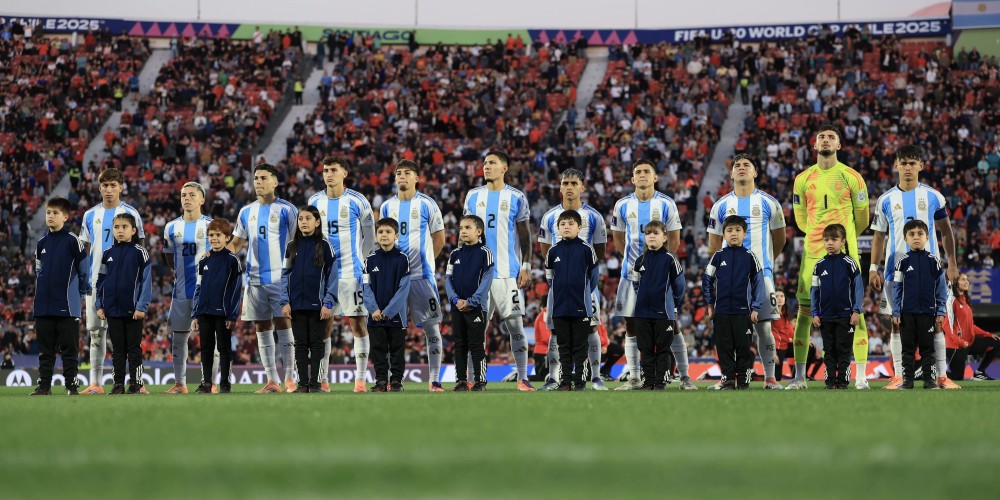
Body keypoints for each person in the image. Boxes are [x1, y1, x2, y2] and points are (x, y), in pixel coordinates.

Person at [869, 145, 960, 390]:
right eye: (903, 163)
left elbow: (946, 232)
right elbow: (878, 236)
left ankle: (941, 376)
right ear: (896, 165)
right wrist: (872, 268)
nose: (908, 167)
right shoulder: (886, 199)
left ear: (921, 166)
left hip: (930, 272)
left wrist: (951, 263)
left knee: (938, 321)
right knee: (897, 323)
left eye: (912, 163)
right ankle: (899, 375)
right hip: (894, 273)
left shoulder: (934, 196)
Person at [790, 125, 871, 390]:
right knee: (804, 314)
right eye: (821, 137)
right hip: (813, 255)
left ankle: (860, 378)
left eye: (831, 137)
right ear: (814, 145)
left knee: (855, 313)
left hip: (846, 255)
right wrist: (818, 238)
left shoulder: (852, 177)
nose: (825, 140)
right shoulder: (802, 179)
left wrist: (845, 238)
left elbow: (862, 218)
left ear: (838, 145)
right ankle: (799, 378)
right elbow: (801, 221)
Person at [611, 159, 695, 390]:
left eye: (647, 171)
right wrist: (639, 264)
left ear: (655, 177)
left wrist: (658, 267)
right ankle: (636, 378)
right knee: (630, 324)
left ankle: (685, 377)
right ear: (632, 178)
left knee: (671, 322)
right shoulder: (622, 205)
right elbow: (618, 239)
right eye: (638, 172)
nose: (642, 175)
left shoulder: (667, 204)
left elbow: (675, 240)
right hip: (630, 274)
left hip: (660, 277)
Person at [706, 153, 786, 390]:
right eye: (737, 166)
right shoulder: (720, 205)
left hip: (762, 276)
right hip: (730, 278)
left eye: (746, 165)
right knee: (728, 331)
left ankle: (770, 377)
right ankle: (729, 377)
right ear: (731, 173)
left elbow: (779, 240)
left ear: (755, 172)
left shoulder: (769, 203)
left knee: (764, 328)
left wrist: (764, 266)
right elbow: (713, 245)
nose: (741, 168)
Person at [462, 150, 535, 391]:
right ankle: (473, 378)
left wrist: (526, 265)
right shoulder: (473, 196)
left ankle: (523, 378)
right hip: (477, 276)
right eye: (484, 163)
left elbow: (525, 236)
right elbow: (465, 235)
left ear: (505, 168)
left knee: (515, 325)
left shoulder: (516, 197)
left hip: (507, 273)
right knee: (476, 329)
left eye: (492, 163)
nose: (486, 166)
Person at [229, 163, 299, 394]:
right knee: (261, 326)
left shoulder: (288, 210)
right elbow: (237, 243)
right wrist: (218, 254)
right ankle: (272, 380)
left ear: (275, 182)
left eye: (264, 178)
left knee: (283, 323)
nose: (258, 182)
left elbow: (295, 244)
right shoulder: (246, 211)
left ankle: (290, 378)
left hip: (280, 278)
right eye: (256, 178)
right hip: (254, 279)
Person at [378, 160, 447, 392]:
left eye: (407, 173)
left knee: (431, 328)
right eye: (398, 173)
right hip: (394, 280)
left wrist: (428, 261)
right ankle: (393, 379)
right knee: (393, 332)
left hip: (421, 277)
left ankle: (434, 379)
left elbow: (439, 239)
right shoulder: (387, 207)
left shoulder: (427, 204)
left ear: (416, 178)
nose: (402, 177)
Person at [537, 168, 609, 390]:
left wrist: (584, 279)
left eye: (573, 183)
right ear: (560, 187)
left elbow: (599, 251)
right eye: (565, 183)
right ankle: (553, 377)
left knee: (592, 329)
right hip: (559, 288)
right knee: (556, 331)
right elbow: (545, 251)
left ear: (582, 187)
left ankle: (595, 377)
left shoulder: (594, 217)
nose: (569, 187)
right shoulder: (549, 217)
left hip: (585, 287)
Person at [309, 156, 375, 393]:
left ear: (344, 173)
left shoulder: (358, 200)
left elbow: (370, 236)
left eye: (333, 170)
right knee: (324, 325)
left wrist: (364, 263)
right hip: (324, 275)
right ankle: (322, 379)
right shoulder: (315, 201)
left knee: (358, 323)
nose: (328, 174)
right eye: (326, 170)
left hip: (352, 273)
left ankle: (360, 380)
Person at [79, 168, 145, 395]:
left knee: (131, 337)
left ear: (121, 187)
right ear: (99, 188)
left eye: (113, 185)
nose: (109, 190)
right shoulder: (89, 215)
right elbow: (85, 250)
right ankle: (96, 383)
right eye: (105, 185)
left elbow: (140, 247)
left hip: (126, 283)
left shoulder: (131, 213)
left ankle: (138, 383)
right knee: (96, 333)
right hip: (97, 281)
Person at [30, 197, 91, 396]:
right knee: (45, 352)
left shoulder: (73, 241)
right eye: (48, 212)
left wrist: (78, 295)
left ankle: (71, 387)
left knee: (69, 351)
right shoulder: (41, 244)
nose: (51, 216)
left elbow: (84, 271)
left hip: (67, 306)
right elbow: (39, 271)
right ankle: (44, 387)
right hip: (43, 306)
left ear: (65, 216)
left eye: (55, 213)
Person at [703, 216, 764, 390]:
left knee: (743, 347)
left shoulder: (750, 257)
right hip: (721, 312)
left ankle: (744, 381)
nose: (734, 234)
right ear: (723, 235)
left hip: (743, 312)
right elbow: (707, 279)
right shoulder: (718, 256)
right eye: (729, 231)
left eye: (738, 230)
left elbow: (758, 283)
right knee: (724, 348)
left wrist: (755, 308)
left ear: (744, 233)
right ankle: (728, 380)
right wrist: (710, 304)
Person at [162, 182, 212, 394]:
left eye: (192, 195)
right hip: (181, 291)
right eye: (183, 195)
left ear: (202, 200)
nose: (187, 198)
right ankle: (180, 384)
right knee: (179, 338)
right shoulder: (171, 227)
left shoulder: (210, 225)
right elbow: (169, 257)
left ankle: (209, 381)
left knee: (209, 339)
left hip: (207, 292)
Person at [280, 206, 337, 393]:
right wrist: (285, 301)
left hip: (318, 305)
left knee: (317, 344)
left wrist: (328, 302)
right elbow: (284, 274)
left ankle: (316, 383)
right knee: (300, 345)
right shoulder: (291, 246)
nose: (303, 222)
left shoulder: (325, 246)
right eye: (301, 219)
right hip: (296, 304)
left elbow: (333, 276)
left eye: (308, 218)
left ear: (317, 222)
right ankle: (303, 384)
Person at [95, 213, 152, 395]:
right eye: (117, 227)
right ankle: (118, 384)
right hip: (112, 308)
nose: (120, 230)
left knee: (133, 348)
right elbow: (101, 281)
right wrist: (99, 305)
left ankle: (136, 384)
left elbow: (146, 281)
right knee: (118, 349)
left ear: (133, 230)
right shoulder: (108, 254)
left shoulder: (140, 252)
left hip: (133, 309)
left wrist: (141, 306)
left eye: (124, 227)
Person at [544, 210, 600, 391]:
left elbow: (594, 277)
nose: (566, 226)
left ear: (579, 227)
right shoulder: (553, 251)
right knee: (564, 347)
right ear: (558, 228)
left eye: (570, 223)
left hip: (581, 307)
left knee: (580, 347)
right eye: (562, 224)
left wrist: (583, 293)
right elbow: (550, 277)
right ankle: (565, 381)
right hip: (560, 307)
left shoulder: (586, 249)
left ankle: (580, 381)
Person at [890, 220, 948, 389]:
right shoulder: (902, 262)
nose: (916, 237)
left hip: (928, 313)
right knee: (907, 349)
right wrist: (896, 311)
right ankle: (907, 381)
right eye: (912, 234)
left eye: (920, 234)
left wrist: (941, 309)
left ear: (927, 237)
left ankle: (929, 380)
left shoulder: (934, 261)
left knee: (927, 349)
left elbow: (941, 288)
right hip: (907, 313)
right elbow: (897, 288)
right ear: (905, 238)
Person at [630, 221, 686, 390]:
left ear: (665, 237)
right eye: (648, 233)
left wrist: (672, 304)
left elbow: (680, 286)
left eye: (655, 233)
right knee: (645, 349)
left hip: (663, 313)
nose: (651, 236)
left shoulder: (670, 259)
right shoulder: (639, 261)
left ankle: (660, 382)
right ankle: (648, 382)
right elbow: (635, 285)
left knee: (663, 349)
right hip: (642, 313)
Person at [191, 218, 243, 394]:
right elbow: (198, 288)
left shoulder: (232, 261)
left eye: (218, 235)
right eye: (211, 235)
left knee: (224, 349)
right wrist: (195, 314)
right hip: (204, 311)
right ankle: (206, 383)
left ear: (227, 237)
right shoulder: (204, 261)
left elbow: (236, 291)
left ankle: (225, 383)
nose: (214, 238)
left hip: (223, 314)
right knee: (205, 348)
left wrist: (232, 315)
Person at [810, 224, 865, 390]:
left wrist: (856, 310)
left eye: (834, 239)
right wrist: (815, 313)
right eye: (826, 240)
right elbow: (814, 292)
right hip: (825, 316)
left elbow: (858, 288)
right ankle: (830, 381)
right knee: (829, 350)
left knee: (843, 350)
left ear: (843, 242)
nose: (829, 243)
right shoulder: (819, 266)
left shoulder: (850, 263)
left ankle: (843, 381)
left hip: (845, 316)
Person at [445, 215, 494, 391]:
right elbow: (447, 280)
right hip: (457, 307)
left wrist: (472, 301)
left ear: (478, 232)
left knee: (476, 345)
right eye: (461, 228)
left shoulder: (485, 253)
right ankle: (461, 381)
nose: (463, 231)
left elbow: (487, 279)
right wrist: (456, 300)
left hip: (476, 307)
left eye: (467, 227)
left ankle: (480, 381)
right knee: (459, 345)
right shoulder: (454, 254)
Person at [361, 218, 411, 393]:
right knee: (378, 351)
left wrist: (389, 311)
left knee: (397, 351)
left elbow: (404, 289)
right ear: (376, 235)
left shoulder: (403, 259)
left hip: (396, 316)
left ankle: (396, 381)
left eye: (388, 232)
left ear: (396, 235)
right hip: (374, 316)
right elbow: (365, 287)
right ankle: (381, 381)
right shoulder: (370, 260)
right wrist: (373, 309)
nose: (384, 235)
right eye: (381, 232)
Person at [944, 274, 1000, 381]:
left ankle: (979, 372)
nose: (967, 282)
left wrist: (988, 334)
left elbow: (971, 326)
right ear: (956, 282)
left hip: (969, 342)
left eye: (967, 280)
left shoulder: (966, 300)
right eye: (963, 279)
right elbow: (946, 326)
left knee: (996, 342)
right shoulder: (951, 301)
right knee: (957, 378)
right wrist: (960, 342)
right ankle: (932, 373)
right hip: (956, 346)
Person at [772, 291, 793, 381]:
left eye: (782, 296)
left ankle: (800, 377)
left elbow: (791, 333)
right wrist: (772, 351)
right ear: (772, 299)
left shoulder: (785, 314)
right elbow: (765, 334)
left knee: (808, 349)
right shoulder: (770, 314)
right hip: (776, 348)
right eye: (777, 296)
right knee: (777, 378)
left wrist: (806, 342)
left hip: (786, 346)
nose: (780, 298)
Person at [530, 305, 551, 382]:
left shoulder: (545, 314)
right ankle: (521, 377)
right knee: (543, 377)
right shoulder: (545, 314)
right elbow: (546, 337)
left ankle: (523, 378)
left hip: (543, 351)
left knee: (545, 377)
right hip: (544, 352)